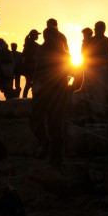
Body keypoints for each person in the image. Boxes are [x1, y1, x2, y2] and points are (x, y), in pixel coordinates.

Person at [30, 27, 72, 166]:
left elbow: (75, 72)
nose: (45, 39)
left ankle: (55, 156)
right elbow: (38, 69)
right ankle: (48, 146)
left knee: (53, 125)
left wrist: (73, 87)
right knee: (42, 122)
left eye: (47, 36)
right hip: (49, 92)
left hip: (52, 92)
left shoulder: (63, 54)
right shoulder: (43, 50)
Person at [20, 30, 40, 99]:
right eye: (37, 35)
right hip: (32, 68)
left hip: (28, 68)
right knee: (32, 84)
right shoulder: (35, 45)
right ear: (33, 36)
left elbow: (23, 55)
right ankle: (33, 98)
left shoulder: (27, 44)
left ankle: (25, 98)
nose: (37, 36)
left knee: (29, 84)